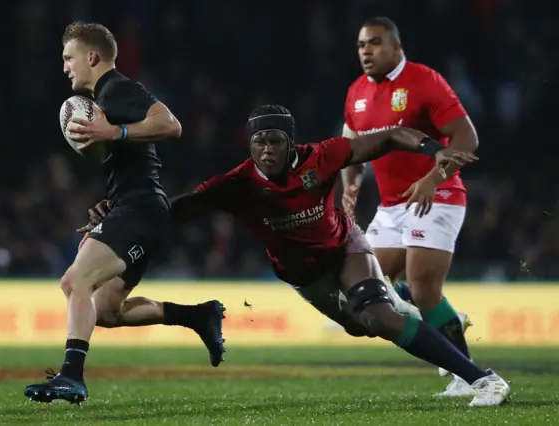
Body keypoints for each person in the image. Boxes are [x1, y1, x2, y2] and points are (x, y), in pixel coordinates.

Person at [87, 105, 510, 407]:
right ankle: (422, 313)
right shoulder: (236, 184)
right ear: (249, 145)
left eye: (275, 140)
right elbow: (174, 210)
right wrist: (122, 216)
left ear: (290, 142)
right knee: (364, 326)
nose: (267, 150)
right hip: (305, 277)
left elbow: (387, 138)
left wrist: (433, 149)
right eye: (259, 142)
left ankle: (483, 380)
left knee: (378, 318)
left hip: (346, 249)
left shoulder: (321, 157)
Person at [24, 22, 225, 405]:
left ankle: (71, 377)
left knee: (74, 281)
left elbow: (171, 125)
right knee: (105, 310)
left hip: (142, 210)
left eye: (69, 58)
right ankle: (199, 316)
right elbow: (134, 162)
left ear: (92, 57)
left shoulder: (117, 88)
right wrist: (109, 204)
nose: (65, 67)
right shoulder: (106, 100)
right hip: (135, 208)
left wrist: (113, 134)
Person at [340, 16, 479, 396]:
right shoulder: (356, 92)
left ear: (397, 47)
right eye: (360, 45)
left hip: (438, 195)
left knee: (421, 287)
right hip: (390, 206)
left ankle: (471, 378)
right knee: (365, 290)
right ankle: (446, 319)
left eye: (375, 43)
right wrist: (350, 187)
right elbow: (351, 149)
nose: (366, 51)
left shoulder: (424, 80)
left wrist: (433, 178)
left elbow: (467, 137)